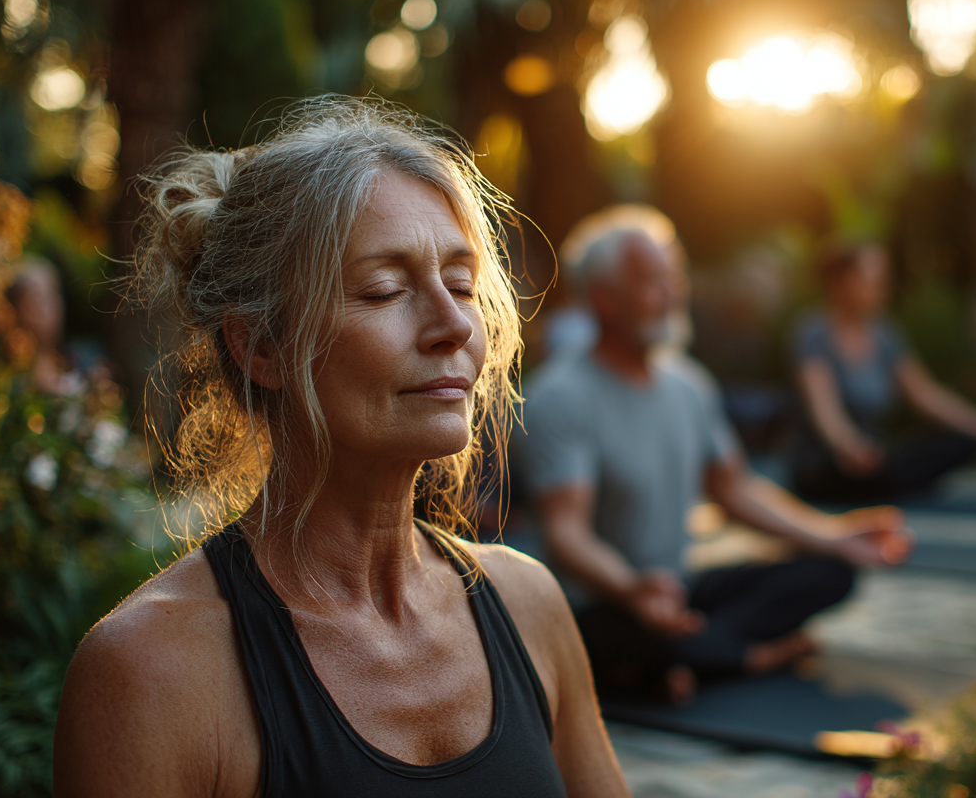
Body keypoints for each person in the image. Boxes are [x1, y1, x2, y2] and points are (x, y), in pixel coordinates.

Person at [53, 98, 628, 797]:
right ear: (262, 345)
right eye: (385, 291)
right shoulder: (152, 670)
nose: (452, 325)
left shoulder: (527, 601)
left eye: (461, 284)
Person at [517, 208, 913, 705]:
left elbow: (735, 489)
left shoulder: (689, 385)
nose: (672, 292)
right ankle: (737, 655)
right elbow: (565, 532)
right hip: (600, 601)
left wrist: (835, 537)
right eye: (651, 281)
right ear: (604, 298)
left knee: (829, 572)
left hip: (677, 591)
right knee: (592, 635)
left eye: (673, 276)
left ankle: (685, 661)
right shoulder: (559, 396)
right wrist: (631, 589)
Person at [788, 242, 976, 503]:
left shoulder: (884, 333)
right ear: (839, 282)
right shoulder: (813, 333)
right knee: (871, 471)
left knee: (956, 444)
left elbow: (925, 394)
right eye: (871, 281)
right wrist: (848, 445)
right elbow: (826, 411)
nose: (882, 289)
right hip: (830, 462)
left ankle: (882, 481)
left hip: (873, 458)